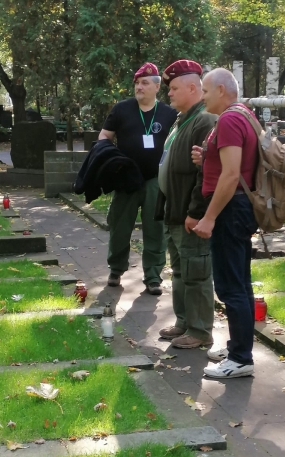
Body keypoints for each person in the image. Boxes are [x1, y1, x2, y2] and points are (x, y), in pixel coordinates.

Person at [192, 68, 258, 378]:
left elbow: (231, 175)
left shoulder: (230, 120)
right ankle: (238, 347)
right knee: (240, 283)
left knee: (231, 287)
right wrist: (206, 158)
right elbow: (233, 165)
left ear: (221, 90)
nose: (202, 97)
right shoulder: (244, 114)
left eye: (205, 91)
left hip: (230, 210)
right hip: (239, 208)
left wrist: (209, 217)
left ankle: (241, 359)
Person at [99, 63, 177, 295]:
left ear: (157, 86)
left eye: (144, 83)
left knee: (155, 229)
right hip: (126, 179)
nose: (139, 87)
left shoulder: (169, 113)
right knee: (120, 227)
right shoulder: (121, 109)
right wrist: (107, 156)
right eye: (137, 83)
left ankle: (153, 276)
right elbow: (105, 135)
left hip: (156, 180)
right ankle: (116, 269)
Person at [155, 60, 217, 349]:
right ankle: (184, 322)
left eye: (174, 88)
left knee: (196, 272)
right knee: (180, 272)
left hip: (190, 215)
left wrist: (195, 212)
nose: (169, 93)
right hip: (175, 211)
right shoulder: (182, 120)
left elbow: (205, 173)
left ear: (193, 88)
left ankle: (200, 330)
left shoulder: (204, 121)